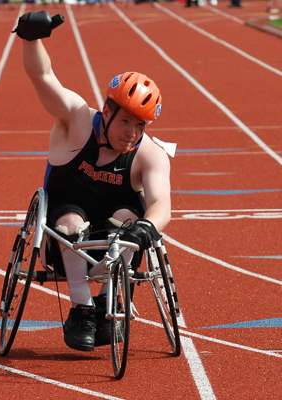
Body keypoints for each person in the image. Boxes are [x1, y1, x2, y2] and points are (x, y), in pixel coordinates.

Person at [13, 12, 171, 351]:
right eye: (126, 121)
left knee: (132, 219)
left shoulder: (150, 153)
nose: (132, 133)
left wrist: (146, 228)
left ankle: (108, 302)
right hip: (63, 232)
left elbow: (161, 204)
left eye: (141, 126)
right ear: (108, 110)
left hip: (117, 238)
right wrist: (30, 38)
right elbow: (43, 77)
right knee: (71, 221)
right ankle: (81, 308)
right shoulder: (77, 121)